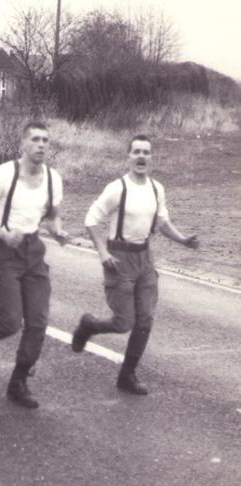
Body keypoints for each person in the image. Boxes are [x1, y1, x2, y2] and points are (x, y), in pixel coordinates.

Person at [72, 134, 200, 395]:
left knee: (145, 321)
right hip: (120, 258)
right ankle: (89, 325)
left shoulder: (157, 189)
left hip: (145, 258)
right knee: (123, 323)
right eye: (137, 152)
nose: (141, 157)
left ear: (151, 158)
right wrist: (102, 252)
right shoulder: (117, 188)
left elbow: (162, 223)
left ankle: (127, 375)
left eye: (146, 152)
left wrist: (184, 240)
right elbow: (91, 220)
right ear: (128, 157)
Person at [0, 121, 69, 409]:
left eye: (46, 140)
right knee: (10, 322)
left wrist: (57, 231)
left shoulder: (52, 179)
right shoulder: (3, 174)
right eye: (35, 139)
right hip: (2, 249)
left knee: (38, 321)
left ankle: (18, 381)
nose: (41, 145)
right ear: (22, 144)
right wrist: (3, 234)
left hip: (33, 250)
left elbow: (51, 215)